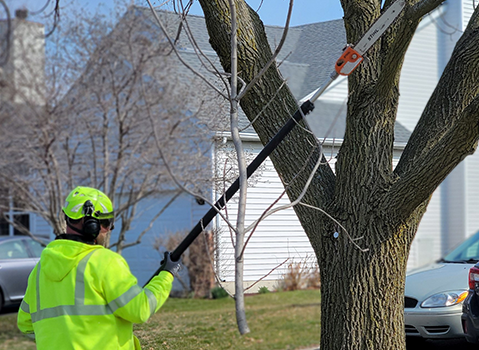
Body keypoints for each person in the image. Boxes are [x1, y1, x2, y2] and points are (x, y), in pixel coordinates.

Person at [17, 186, 180, 349]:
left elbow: (25, 323)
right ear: (91, 224)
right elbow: (140, 309)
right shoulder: (105, 262)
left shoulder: (38, 272)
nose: (109, 229)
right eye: (107, 223)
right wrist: (166, 275)